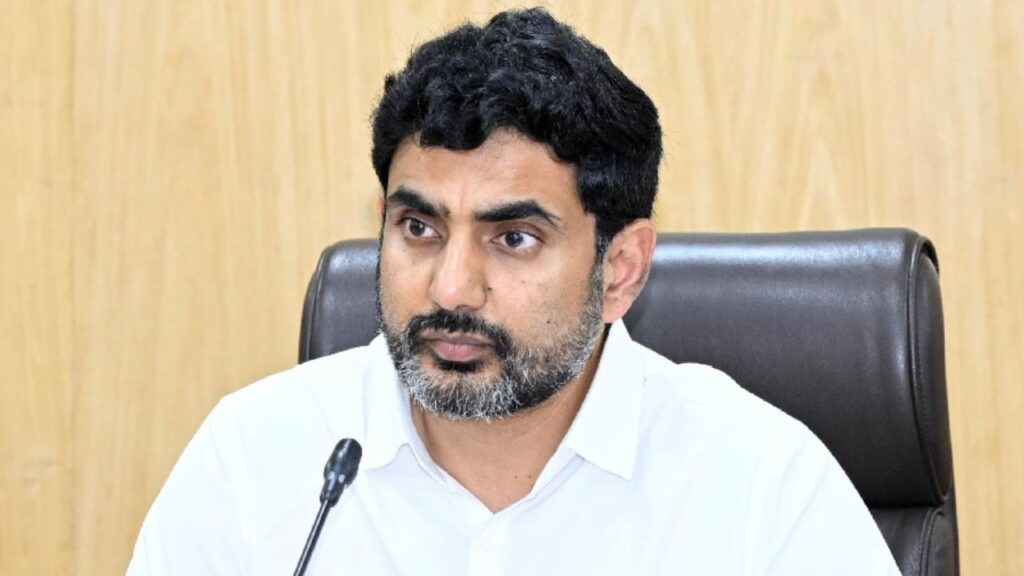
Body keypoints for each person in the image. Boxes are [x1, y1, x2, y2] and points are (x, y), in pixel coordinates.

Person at [128, 8, 900, 575]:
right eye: (419, 228)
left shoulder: (762, 487)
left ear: (620, 269)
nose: (451, 286)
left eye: (514, 239)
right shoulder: (255, 459)